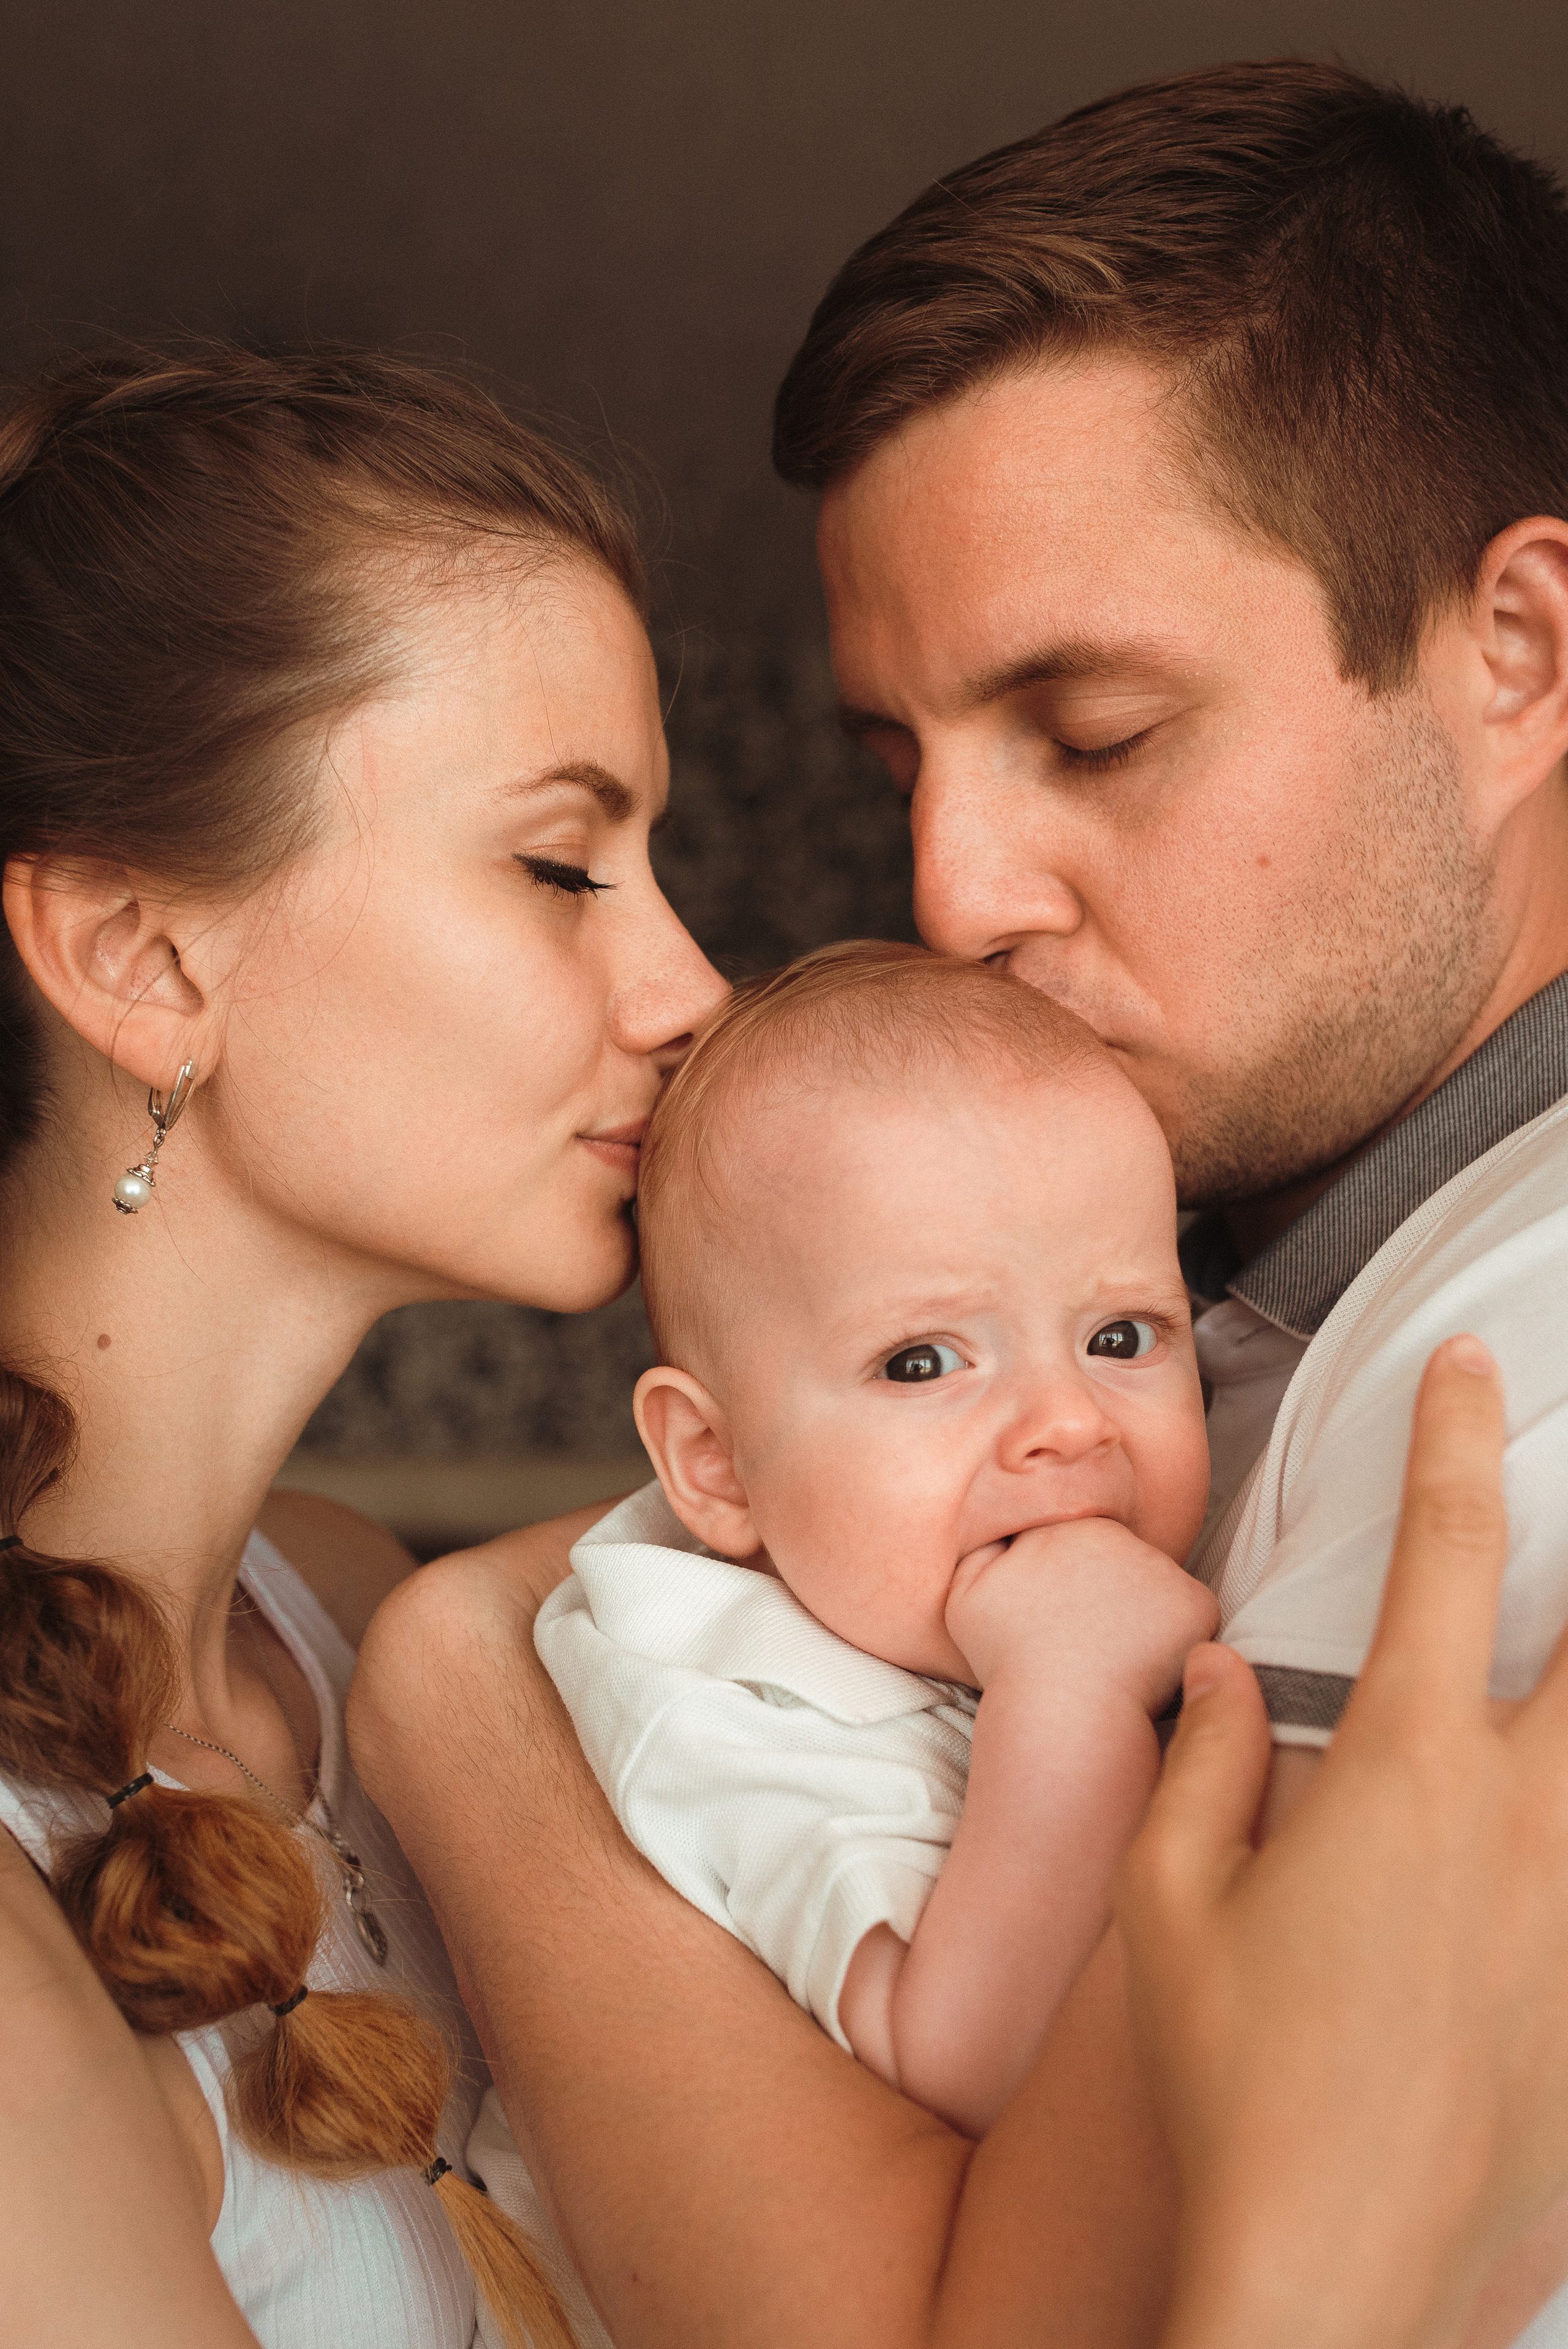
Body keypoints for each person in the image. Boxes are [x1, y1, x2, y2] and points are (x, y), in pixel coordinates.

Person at [356, 56, 1568, 2349]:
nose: (951, 891)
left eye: (1094, 731)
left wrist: (467, 1689)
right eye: (905, 762)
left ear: (1516, 653)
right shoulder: (1234, 1301)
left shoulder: (1522, 1377)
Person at [537, 940, 1217, 2136]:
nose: (1068, 1421)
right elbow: (971, 2064)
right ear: (715, 1463)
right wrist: (1071, 1692)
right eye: (923, 1362)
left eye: (1120, 1338)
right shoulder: (723, 1715)